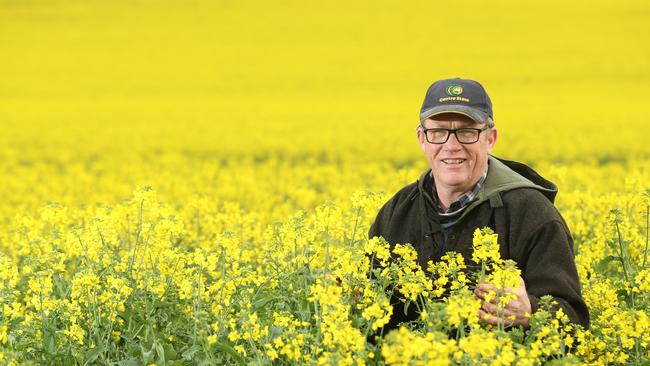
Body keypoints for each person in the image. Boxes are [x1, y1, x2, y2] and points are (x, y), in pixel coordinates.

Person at [368, 77, 589, 331]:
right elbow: (373, 315)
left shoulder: (532, 213)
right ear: (422, 138)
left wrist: (530, 312)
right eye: (438, 132)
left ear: (490, 138)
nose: (452, 146)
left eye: (467, 132)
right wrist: (350, 296)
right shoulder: (398, 211)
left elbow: (575, 320)